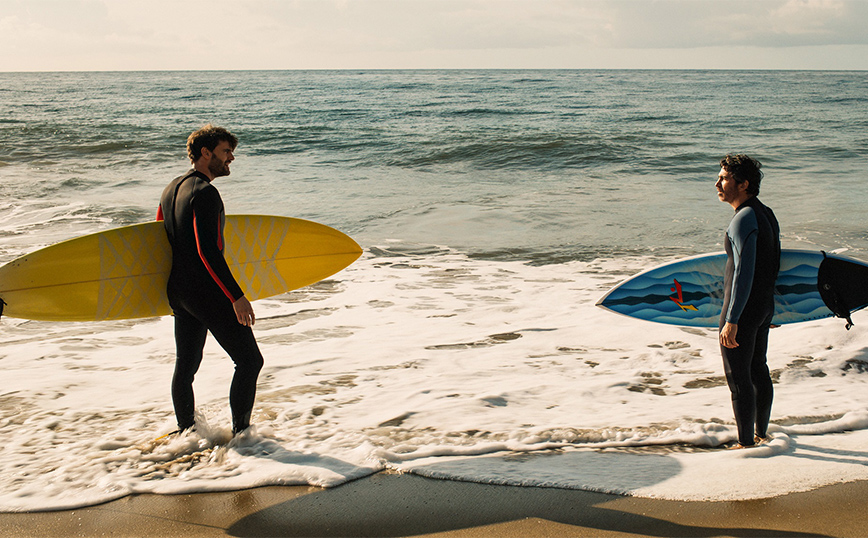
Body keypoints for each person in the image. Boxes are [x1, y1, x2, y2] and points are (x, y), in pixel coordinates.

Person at [156, 124, 263, 435]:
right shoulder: (206, 193)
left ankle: (185, 434)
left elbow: (159, 238)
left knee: (185, 368)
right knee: (250, 361)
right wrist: (236, 296)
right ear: (205, 153)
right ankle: (242, 435)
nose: (231, 158)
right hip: (206, 291)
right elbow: (208, 253)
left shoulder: (171, 189)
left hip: (179, 292)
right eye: (226, 152)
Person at [715, 154, 780, 449]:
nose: (717, 183)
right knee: (758, 370)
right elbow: (773, 264)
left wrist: (732, 319)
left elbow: (744, 272)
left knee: (738, 378)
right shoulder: (766, 213)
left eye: (724, 178)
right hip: (763, 308)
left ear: (743, 184)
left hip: (743, 311)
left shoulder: (743, 219)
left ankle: (745, 444)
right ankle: (761, 433)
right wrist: (768, 309)